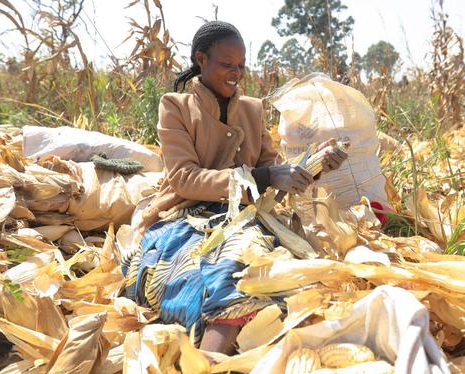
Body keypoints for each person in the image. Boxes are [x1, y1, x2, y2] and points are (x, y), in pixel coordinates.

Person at [122, 21, 346, 355]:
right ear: (202, 59)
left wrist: (312, 168)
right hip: (189, 217)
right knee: (223, 268)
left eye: (241, 66)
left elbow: (276, 179)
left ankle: (214, 360)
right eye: (228, 65)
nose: (236, 73)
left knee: (265, 272)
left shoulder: (252, 110)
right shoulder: (176, 107)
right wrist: (264, 177)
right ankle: (208, 368)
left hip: (248, 217)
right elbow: (185, 178)